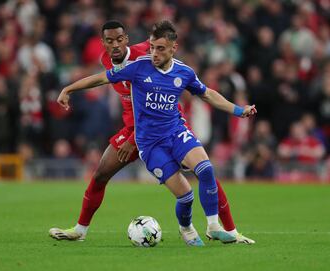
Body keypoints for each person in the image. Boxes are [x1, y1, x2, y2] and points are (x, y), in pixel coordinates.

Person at [50, 21, 255, 245]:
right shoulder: (110, 62)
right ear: (103, 44)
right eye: (109, 42)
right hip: (140, 133)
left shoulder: (146, 56)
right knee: (101, 174)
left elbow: (202, 93)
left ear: (127, 39)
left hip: (168, 127)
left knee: (206, 171)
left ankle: (228, 229)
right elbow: (102, 80)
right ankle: (80, 230)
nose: (115, 46)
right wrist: (68, 89)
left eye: (119, 40)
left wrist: (237, 110)